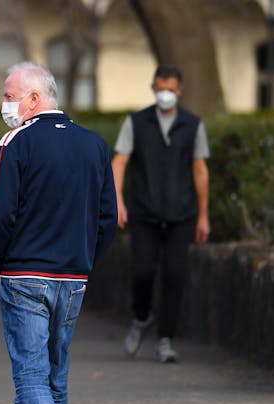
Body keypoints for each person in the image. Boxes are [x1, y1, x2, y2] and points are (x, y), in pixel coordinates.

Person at [0, 62, 117, 404]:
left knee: (31, 377)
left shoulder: (15, 142)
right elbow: (107, 217)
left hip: (24, 273)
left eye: (9, 94)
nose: (4, 103)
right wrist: (86, 258)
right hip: (73, 276)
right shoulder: (94, 145)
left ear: (34, 98)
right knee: (56, 376)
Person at [112, 65, 210, 363]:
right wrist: (117, 200)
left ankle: (165, 338)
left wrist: (203, 215)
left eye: (171, 88)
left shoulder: (193, 125)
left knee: (175, 275)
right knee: (142, 272)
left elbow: (200, 169)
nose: (165, 93)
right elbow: (120, 162)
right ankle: (141, 317)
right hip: (145, 213)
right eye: (160, 88)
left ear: (180, 90)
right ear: (153, 88)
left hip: (181, 215)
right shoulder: (137, 122)